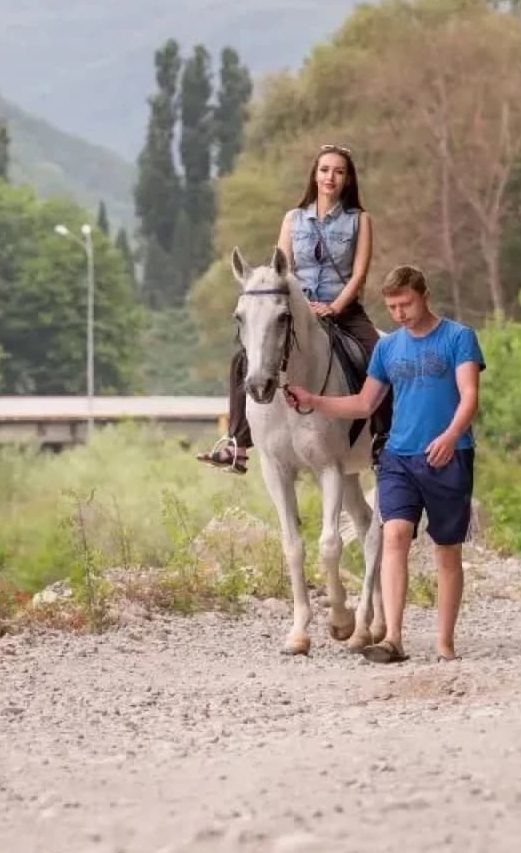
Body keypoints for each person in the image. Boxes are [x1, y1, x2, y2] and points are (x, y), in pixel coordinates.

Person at [284, 266, 484, 664]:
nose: (399, 314)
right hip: (398, 458)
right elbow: (363, 403)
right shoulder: (388, 349)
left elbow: (469, 395)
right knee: (393, 536)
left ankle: (445, 642)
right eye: (392, 307)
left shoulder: (459, 338)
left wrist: (449, 436)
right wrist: (315, 401)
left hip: (449, 455)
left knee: (447, 552)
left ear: (424, 295)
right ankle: (393, 637)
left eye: (406, 304)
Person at [198, 144, 385, 473]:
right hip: (299, 311)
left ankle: (381, 439)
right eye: (325, 169)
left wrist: (334, 307)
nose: (330, 177)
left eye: (339, 171)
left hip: (344, 310)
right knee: (243, 357)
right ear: (315, 174)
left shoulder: (360, 220)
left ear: (348, 179)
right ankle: (238, 443)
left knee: (382, 355)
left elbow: (359, 273)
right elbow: (279, 270)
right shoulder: (293, 219)